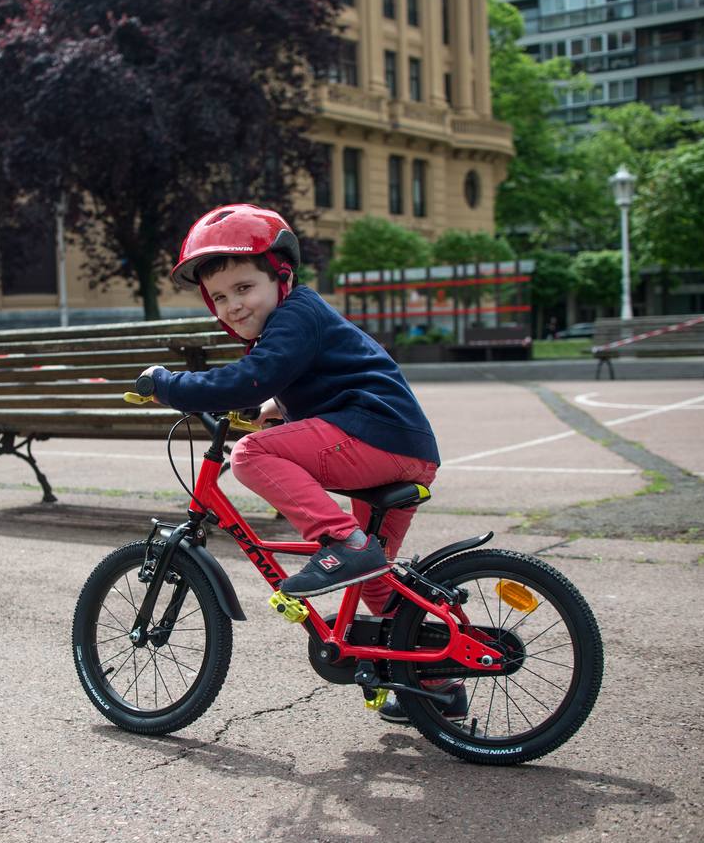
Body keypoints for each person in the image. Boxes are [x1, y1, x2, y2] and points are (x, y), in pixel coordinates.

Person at [141, 204, 464, 724]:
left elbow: (254, 376)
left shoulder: (297, 314)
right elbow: (312, 378)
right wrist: (273, 408)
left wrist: (169, 385)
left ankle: (342, 543)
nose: (233, 305)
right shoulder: (296, 323)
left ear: (280, 276)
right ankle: (439, 687)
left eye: (244, 288)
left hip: (376, 437)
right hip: (401, 447)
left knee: (252, 455)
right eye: (220, 297)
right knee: (380, 585)